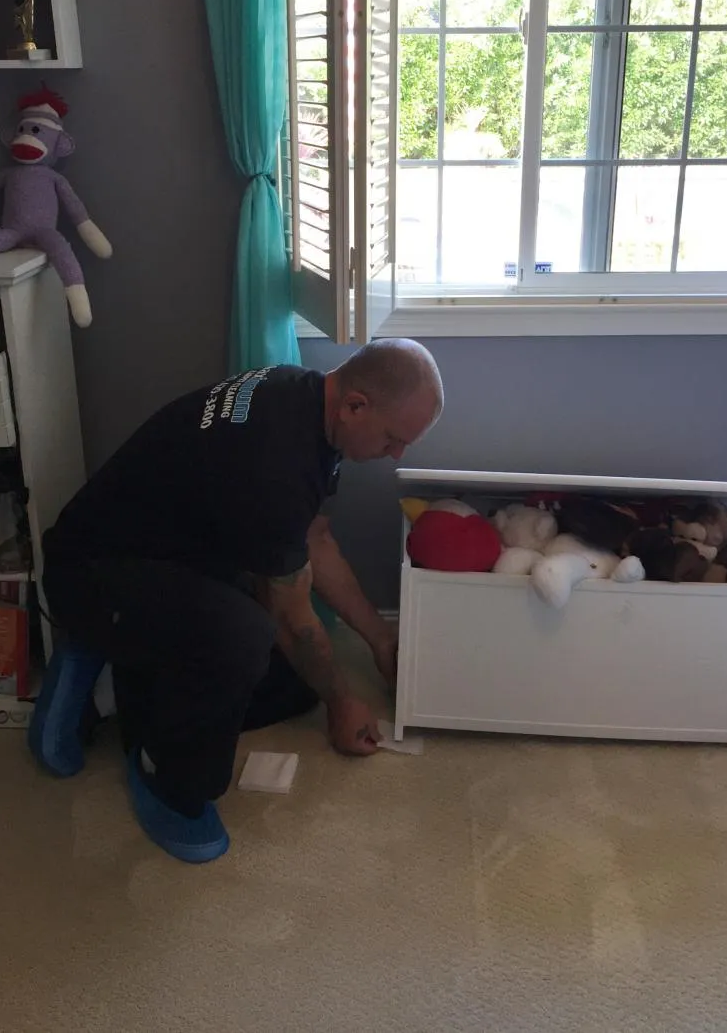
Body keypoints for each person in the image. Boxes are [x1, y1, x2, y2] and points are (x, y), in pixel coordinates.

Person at [29, 339, 444, 864]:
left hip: (171, 560)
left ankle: (112, 683)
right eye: (393, 439)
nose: (397, 455)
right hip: (92, 574)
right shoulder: (276, 461)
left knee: (297, 683)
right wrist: (344, 703)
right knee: (244, 640)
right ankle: (165, 779)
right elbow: (290, 616)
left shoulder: (310, 402)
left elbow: (314, 539)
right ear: (356, 405)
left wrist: (380, 637)